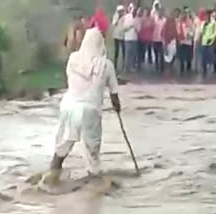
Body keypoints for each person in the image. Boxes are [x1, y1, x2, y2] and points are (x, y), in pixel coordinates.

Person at [39, 28, 121, 186]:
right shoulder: (106, 65)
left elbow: (71, 81)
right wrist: (117, 107)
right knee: (92, 154)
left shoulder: (73, 59)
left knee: (62, 148)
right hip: (90, 111)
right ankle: (95, 191)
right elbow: (114, 94)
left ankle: (51, 178)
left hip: (69, 107)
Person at [200, 10, 216, 78]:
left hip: (211, 42)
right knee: (204, 57)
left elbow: (215, 33)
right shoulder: (204, 22)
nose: (206, 16)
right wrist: (204, 25)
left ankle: (214, 69)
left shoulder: (213, 23)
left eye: (208, 15)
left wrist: (211, 38)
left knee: (212, 56)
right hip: (204, 42)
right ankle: (204, 70)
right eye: (206, 15)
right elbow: (201, 31)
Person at [177, 8, 194, 77]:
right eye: (182, 15)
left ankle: (188, 69)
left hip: (188, 41)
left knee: (188, 57)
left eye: (185, 15)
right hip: (181, 41)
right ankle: (182, 69)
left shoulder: (189, 22)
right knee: (181, 57)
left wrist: (190, 35)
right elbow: (177, 31)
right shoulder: (179, 23)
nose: (183, 16)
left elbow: (192, 31)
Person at [123, 4, 140, 75]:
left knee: (133, 54)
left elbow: (139, 29)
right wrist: (130, 26)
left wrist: (136, 28)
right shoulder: (127, 17)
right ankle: (126, 68)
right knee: (127, 54)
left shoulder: (137, 19)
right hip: (128, 38)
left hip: (134, 38)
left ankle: (131, 67)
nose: (134, 12)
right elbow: (124, 28)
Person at [162, 9, 178, 74]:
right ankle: (167, 69)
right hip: (168, 41)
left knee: (173, 54)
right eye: (172, 14)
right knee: (167, 56)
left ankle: (171, 67)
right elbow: (164, 33)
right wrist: (165, 44)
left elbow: (175, 32)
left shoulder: (174, 22)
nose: (173, 16)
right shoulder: (167, 23)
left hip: (173, 41)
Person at [152, 8, 166, 73]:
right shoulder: (154, 19)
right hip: (154, 39)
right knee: (156, 54)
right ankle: (157, 65)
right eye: (160, 12)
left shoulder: (164, 20)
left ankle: (162, 67)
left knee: (161, 54)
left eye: (162, 12)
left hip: (161, 40)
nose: (161, 13)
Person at [112, 5, 126, 70]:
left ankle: (124, 64)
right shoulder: (115, 16)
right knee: (116, 51)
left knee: (124, 51)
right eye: (119, 11)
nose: (121, 12)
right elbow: (113, 23)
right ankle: (115, 64)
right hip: (116, 35)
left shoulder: (125, 17)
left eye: (122, 11)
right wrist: (118, 18)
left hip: (123, 36)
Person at [193, 8, 207, 73]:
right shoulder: (196, 20)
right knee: (196, 53)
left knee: (201, 53)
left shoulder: (205, 21)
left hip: (203, 39)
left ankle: (201, 67)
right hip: (196, 38)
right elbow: (194, 28)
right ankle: (195, 67)